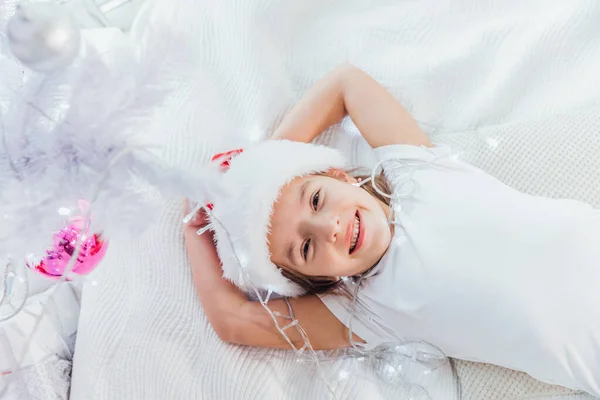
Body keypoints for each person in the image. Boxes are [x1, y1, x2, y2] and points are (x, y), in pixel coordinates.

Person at [183, 64, 600, 397]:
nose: (329, 227)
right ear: (316, 280)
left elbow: (345, 84)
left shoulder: (417, 172)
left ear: (337, 174)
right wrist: (197, 226)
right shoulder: (366, 311)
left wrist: (264, 171)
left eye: (315, 199)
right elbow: (232, 319)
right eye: (306, 248)